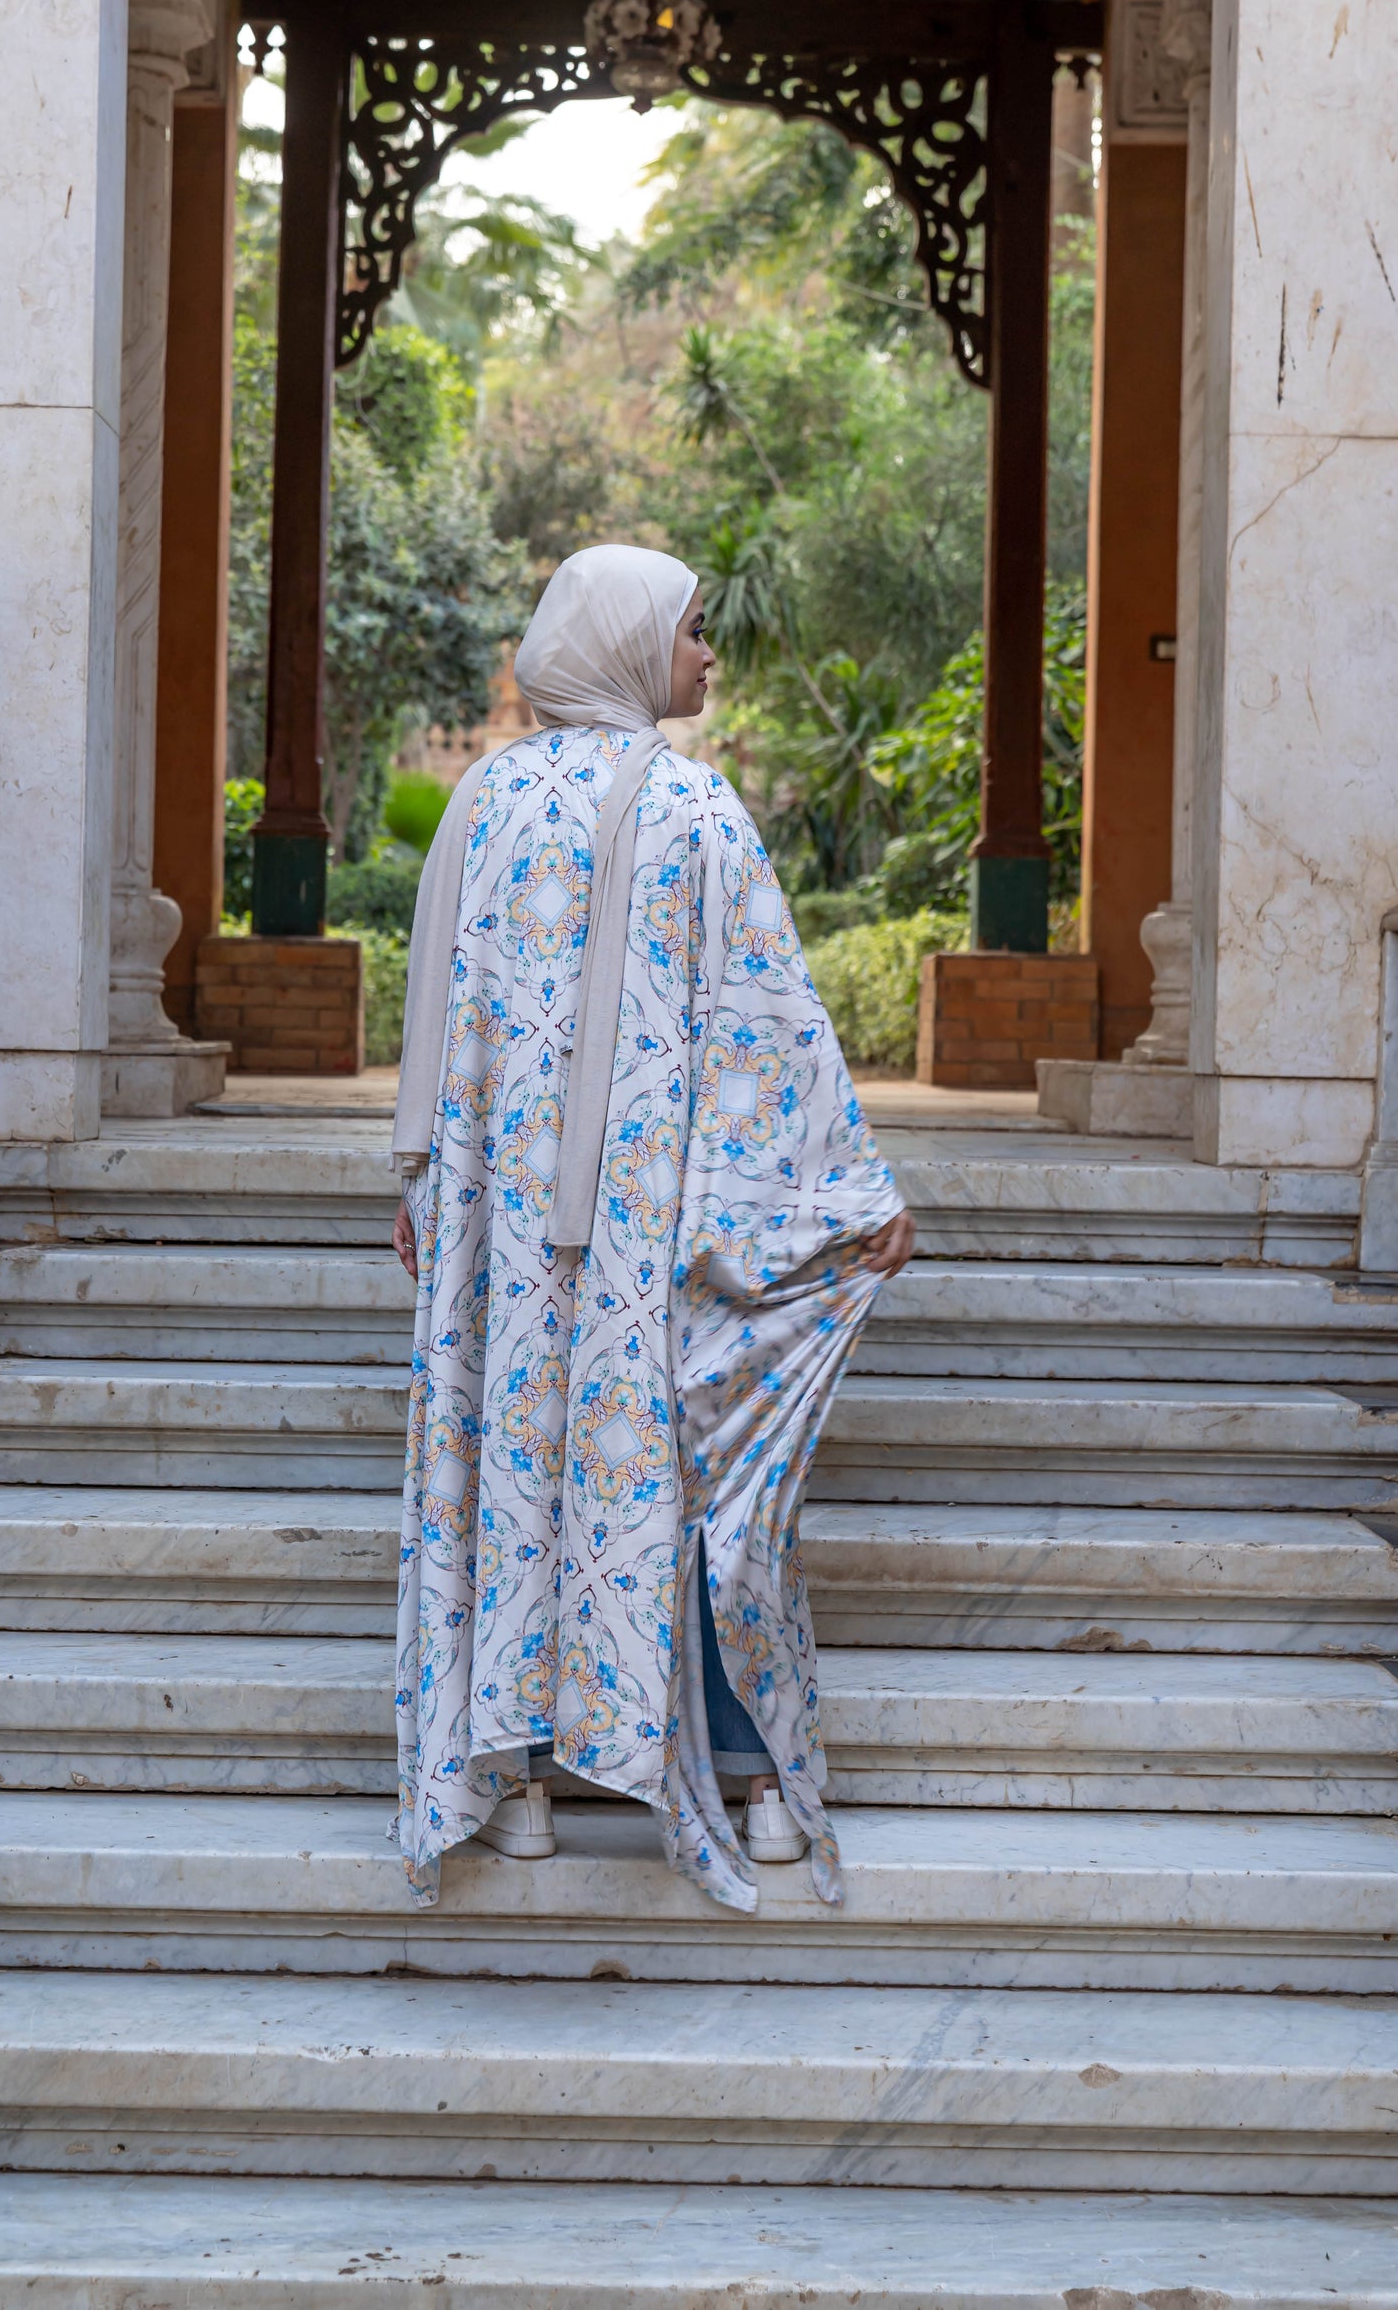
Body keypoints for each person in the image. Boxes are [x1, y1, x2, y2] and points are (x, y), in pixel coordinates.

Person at [390, 544, 915, 1915]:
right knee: (689, 1475)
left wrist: (418, 1179)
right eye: (689, 633)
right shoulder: (695, 807)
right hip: (656, 1230)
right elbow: (766, 1029)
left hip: (499, 1231)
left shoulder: (481, 801)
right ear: (629, 642)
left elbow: (433, 1013)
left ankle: (513, 1791)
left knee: (515, 1473)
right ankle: (748, 1778)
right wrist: (846, 1199)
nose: (705, 657)